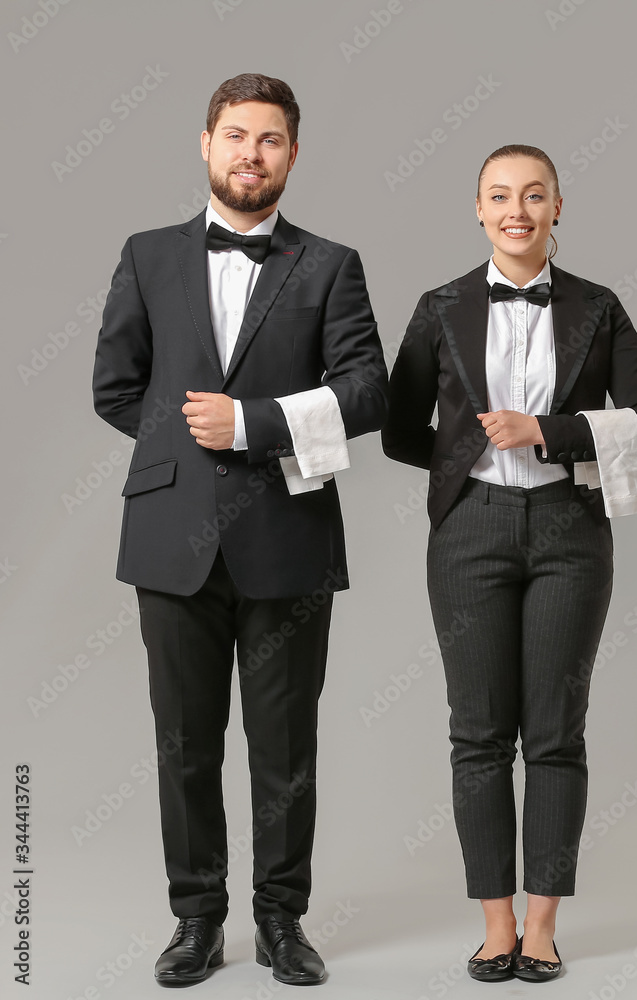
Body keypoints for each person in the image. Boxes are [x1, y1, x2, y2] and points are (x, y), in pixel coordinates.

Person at [93, 73, 387, 987]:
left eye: (268, 139)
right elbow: (114, 387)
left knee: (284, 744)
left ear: (292, 155)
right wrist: (184, 454)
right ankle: (195, 920)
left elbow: (369, 391)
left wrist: (253, 426)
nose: (250, 154)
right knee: (182, 742)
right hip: (169, 541)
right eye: (234, 135)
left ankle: (283, 920)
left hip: (287, 538)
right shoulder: (148, 254)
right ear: (206, 144)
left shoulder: (330, 264)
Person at [382, 144, 637, 983]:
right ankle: (494, 926)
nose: (517, 209)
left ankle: (542, 926)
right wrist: (470, 452)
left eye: (534, 195)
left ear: (557, 207)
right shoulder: (440, 306)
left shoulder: (597, 305)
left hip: (569, 533)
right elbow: (402, 431)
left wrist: (548, 431)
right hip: (468, 532)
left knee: (554, 732)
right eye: (500, 196)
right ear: (478, 209)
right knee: (477, 734)